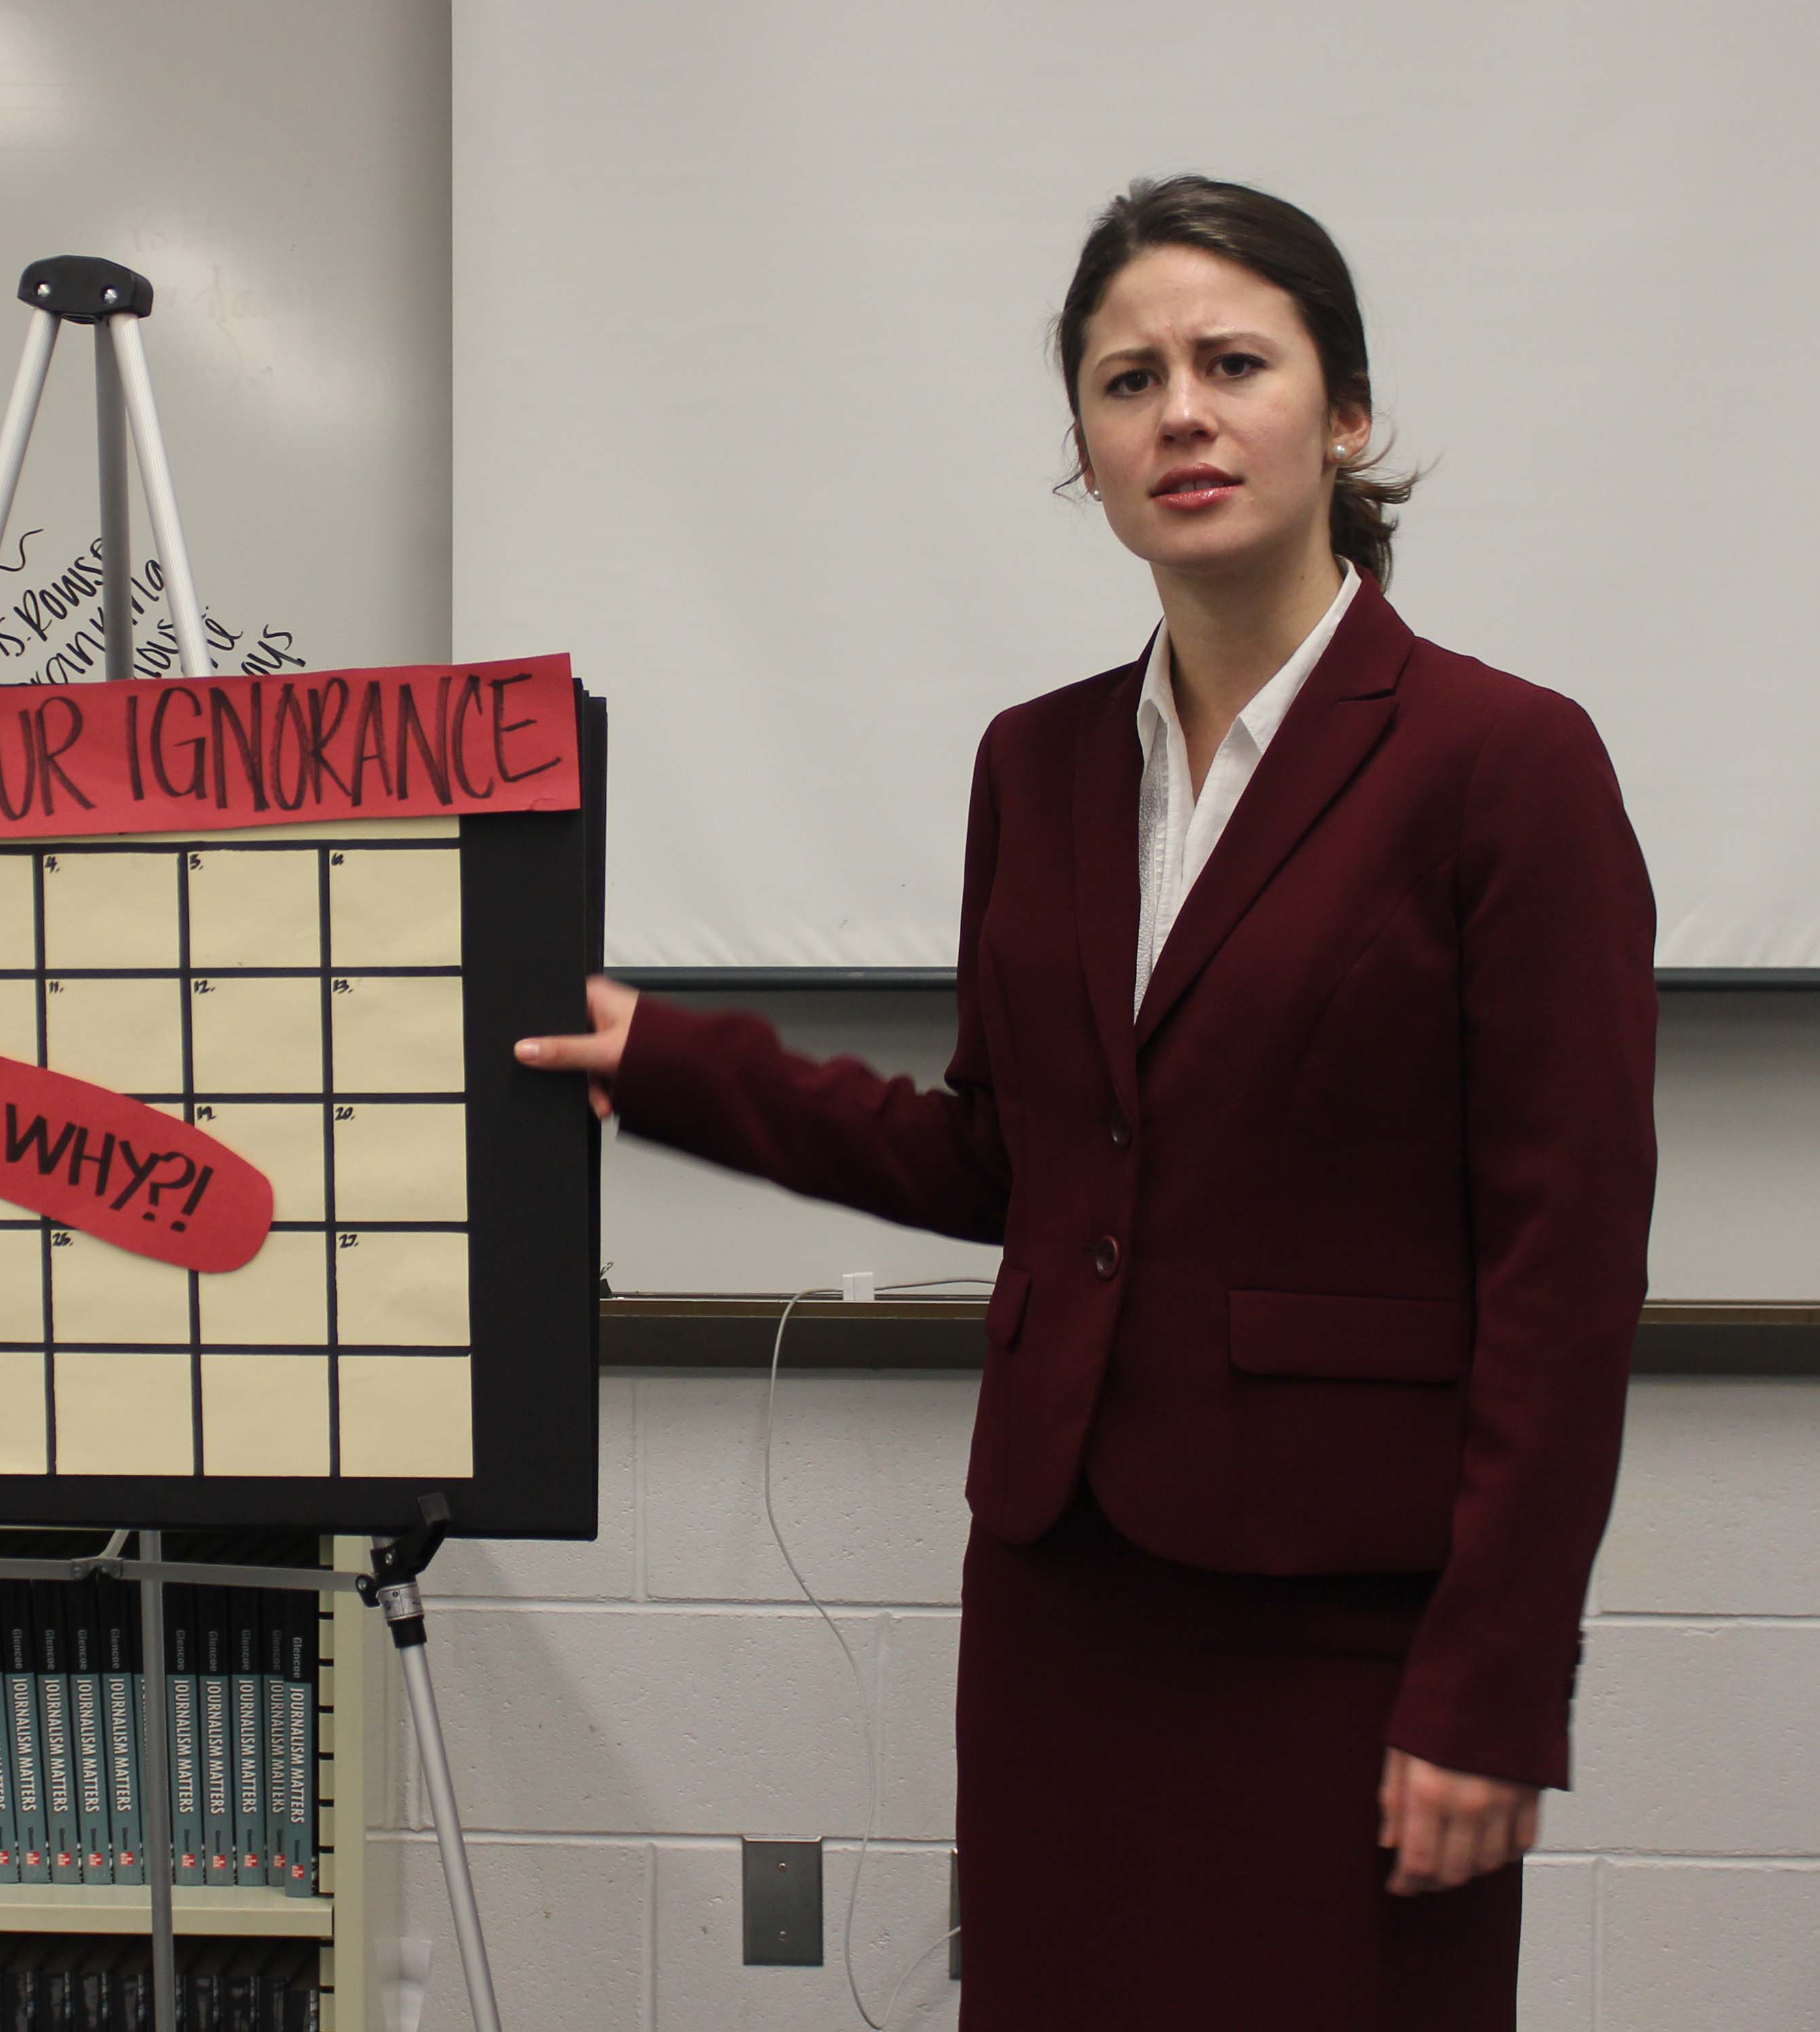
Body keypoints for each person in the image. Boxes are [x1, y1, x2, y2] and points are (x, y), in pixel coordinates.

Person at [516, 175, 1658, 2029]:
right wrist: (672, 1063)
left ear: (1346, 411)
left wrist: (1497, 1685)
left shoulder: (1504, 763)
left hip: (1350, 1626)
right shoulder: (1034, 766)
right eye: (1128, 382)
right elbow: (1004, 1152)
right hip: (1066, 1599)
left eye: (1233, 362)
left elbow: (1568, 1266)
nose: (1180, 415)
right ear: (1086, 446)